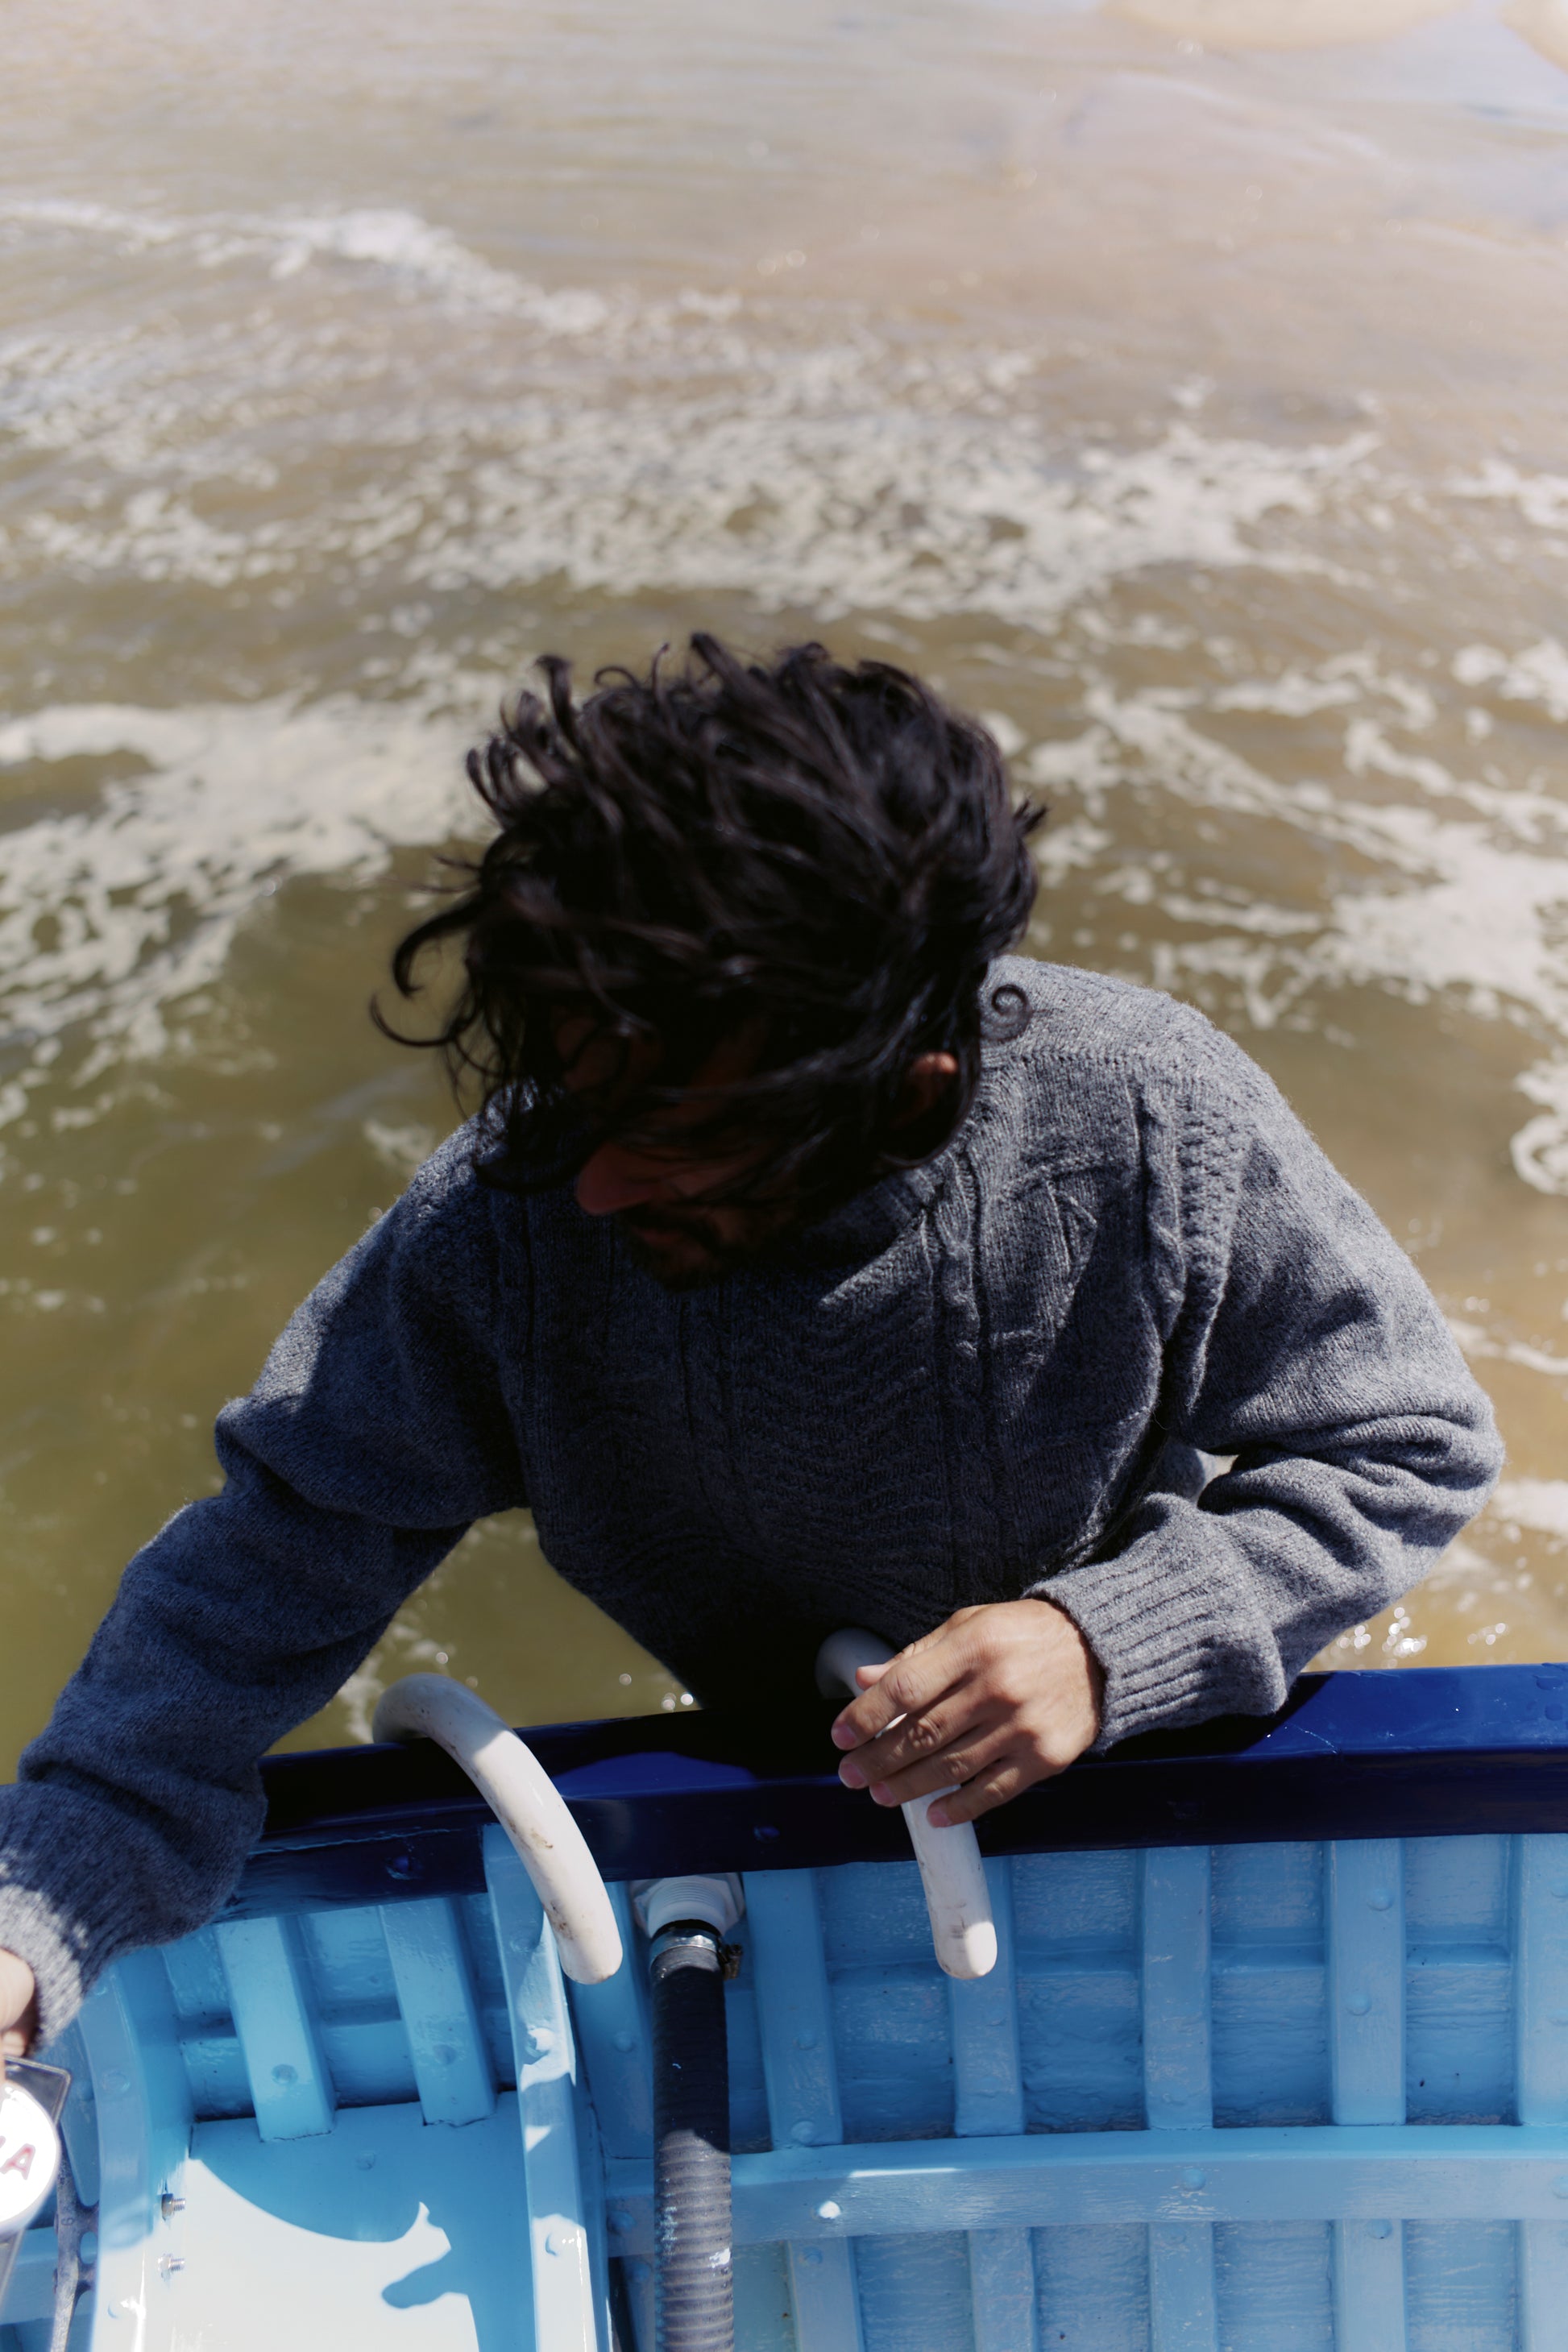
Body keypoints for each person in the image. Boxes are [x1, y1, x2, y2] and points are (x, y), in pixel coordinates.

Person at [0, 635, 1500, 2067]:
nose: (591, 1186)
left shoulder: (1147, 1118)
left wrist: (1115, 1641)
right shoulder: (512, 1214)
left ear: (907, 1100)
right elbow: (271, 1558)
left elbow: (1409, 1442)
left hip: (1140, 1760)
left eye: (676, 1141)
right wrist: (36, 1917)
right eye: (579, 1103)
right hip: (799, 1781)